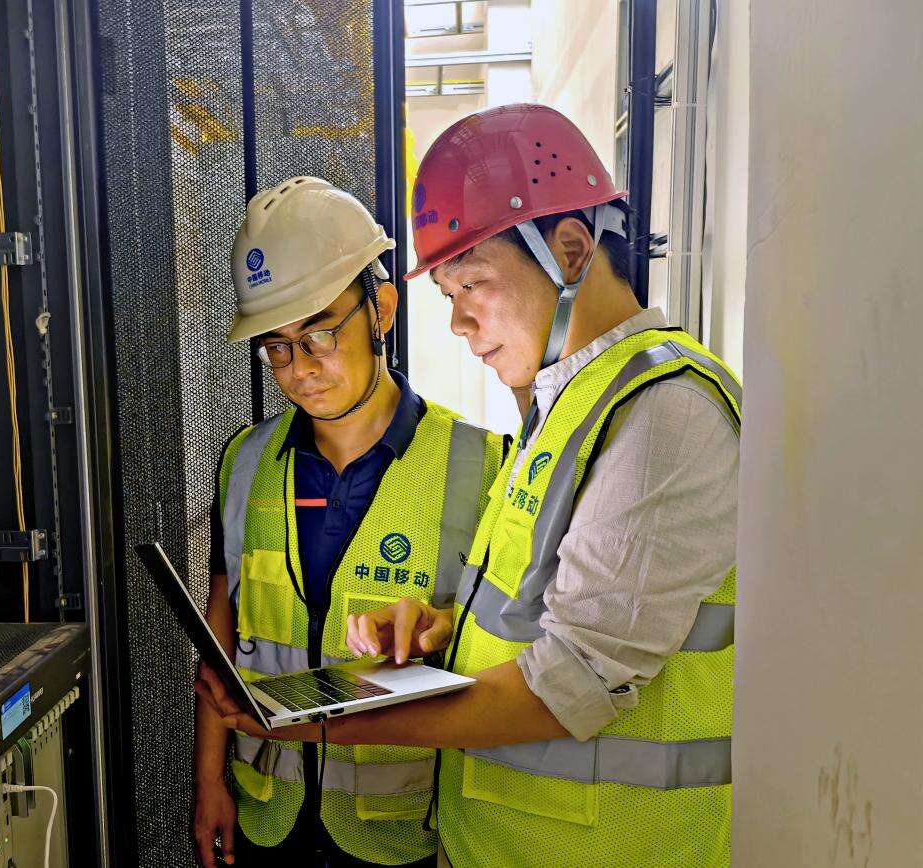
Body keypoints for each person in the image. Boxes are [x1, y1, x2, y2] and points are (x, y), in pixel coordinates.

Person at [198, 106, 741, 867]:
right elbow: (532, 620)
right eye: (448, 293)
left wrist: (320, 720)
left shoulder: (662, 415)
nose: (457, 322)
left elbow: (572, 683)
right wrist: (440, 632)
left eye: (472, 283)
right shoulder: (563, 413)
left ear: (570, 250)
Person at [193, 177, 506, 868]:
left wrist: (439, 629)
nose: (300, 369)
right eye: (276, 346)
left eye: (320, 333)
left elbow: (505, 659)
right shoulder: (245, 462)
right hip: (267, 819)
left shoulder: (480, 466)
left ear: (382, 309)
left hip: (401, 833)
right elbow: (222, 629)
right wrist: (209, 780)